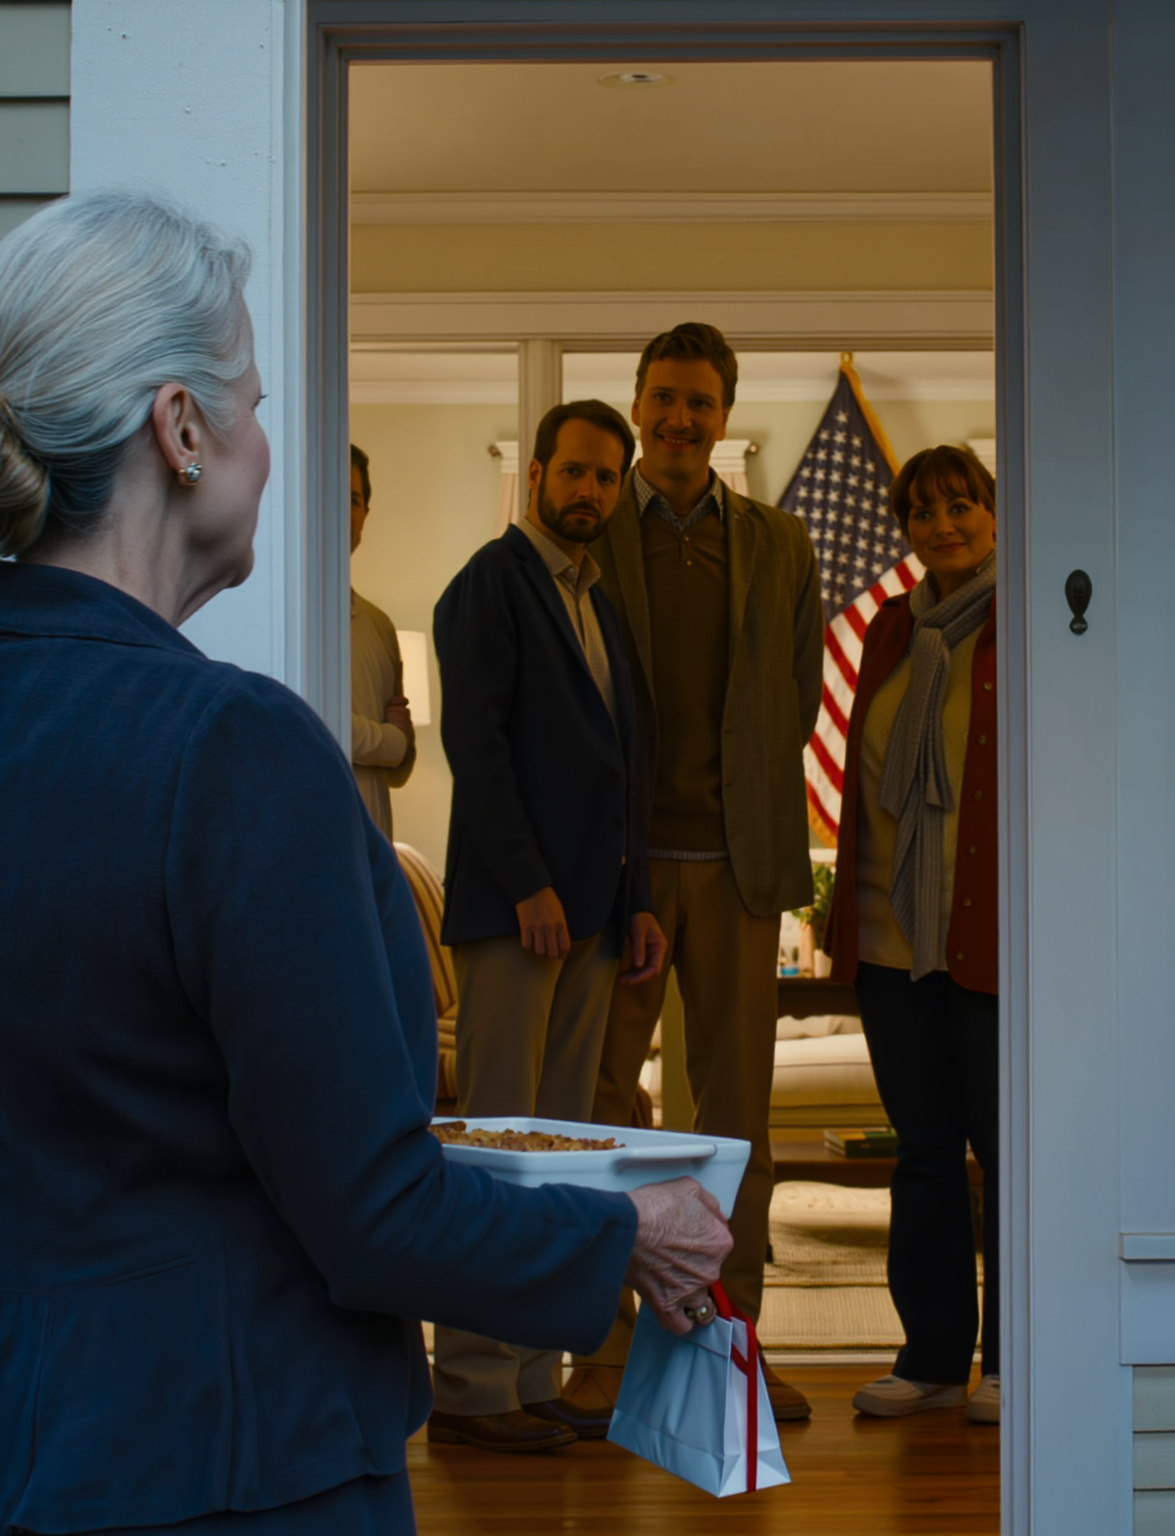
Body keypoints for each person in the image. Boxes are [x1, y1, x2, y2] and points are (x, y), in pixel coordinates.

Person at [0, 190, 731, 1535]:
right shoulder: (229, 752)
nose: (270, 449)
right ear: (180, 430)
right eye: (257, 406)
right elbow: (373, 1211)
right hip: (234, 1467)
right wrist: (628, 1234)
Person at [568, 322, 824, 1424]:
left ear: (724, 416)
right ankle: (603, 1352)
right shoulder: (590, 529)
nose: (679, 419)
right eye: (663, 398)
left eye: (700, 402)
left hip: (735, 868)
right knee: (602, 1115)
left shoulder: (778, 541)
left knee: (735, 1122)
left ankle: (726, 1347)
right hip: (618, 874)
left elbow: (798, 693)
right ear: (638, 404)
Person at [429, 400, 668, 1451]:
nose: (590, 491)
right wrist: (527, 883)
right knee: (497, 1154)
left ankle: (530, 1376)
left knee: (562, 1155)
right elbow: (475, 749)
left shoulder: (599, 599)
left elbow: (626, 769)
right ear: (535, 475)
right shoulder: (490, 583)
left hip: (596, 920)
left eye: (607, 477)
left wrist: (639, 896)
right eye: (575, 471)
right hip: (517, 918)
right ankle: (470, 1386)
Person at [821, 444, 1000, 1425]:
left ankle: (1013, 1361)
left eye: (961, 504)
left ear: (993, 511)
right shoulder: (892, 627)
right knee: (924, 1153)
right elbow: (860, 779)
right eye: (924, 511)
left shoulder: (1025, 619)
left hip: (987, 937)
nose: (944, 524)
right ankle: (931, 1360)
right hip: (891, 937)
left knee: (1007, 1155)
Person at [348, 443, 415, 839]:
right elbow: (311, 723)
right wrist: (390, 742)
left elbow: (401, 766)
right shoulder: (285, 619)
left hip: (373, 851)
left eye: (353, 500)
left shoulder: (380, 626)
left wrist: (398, 746)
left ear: (365, 515)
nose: (342, 510)